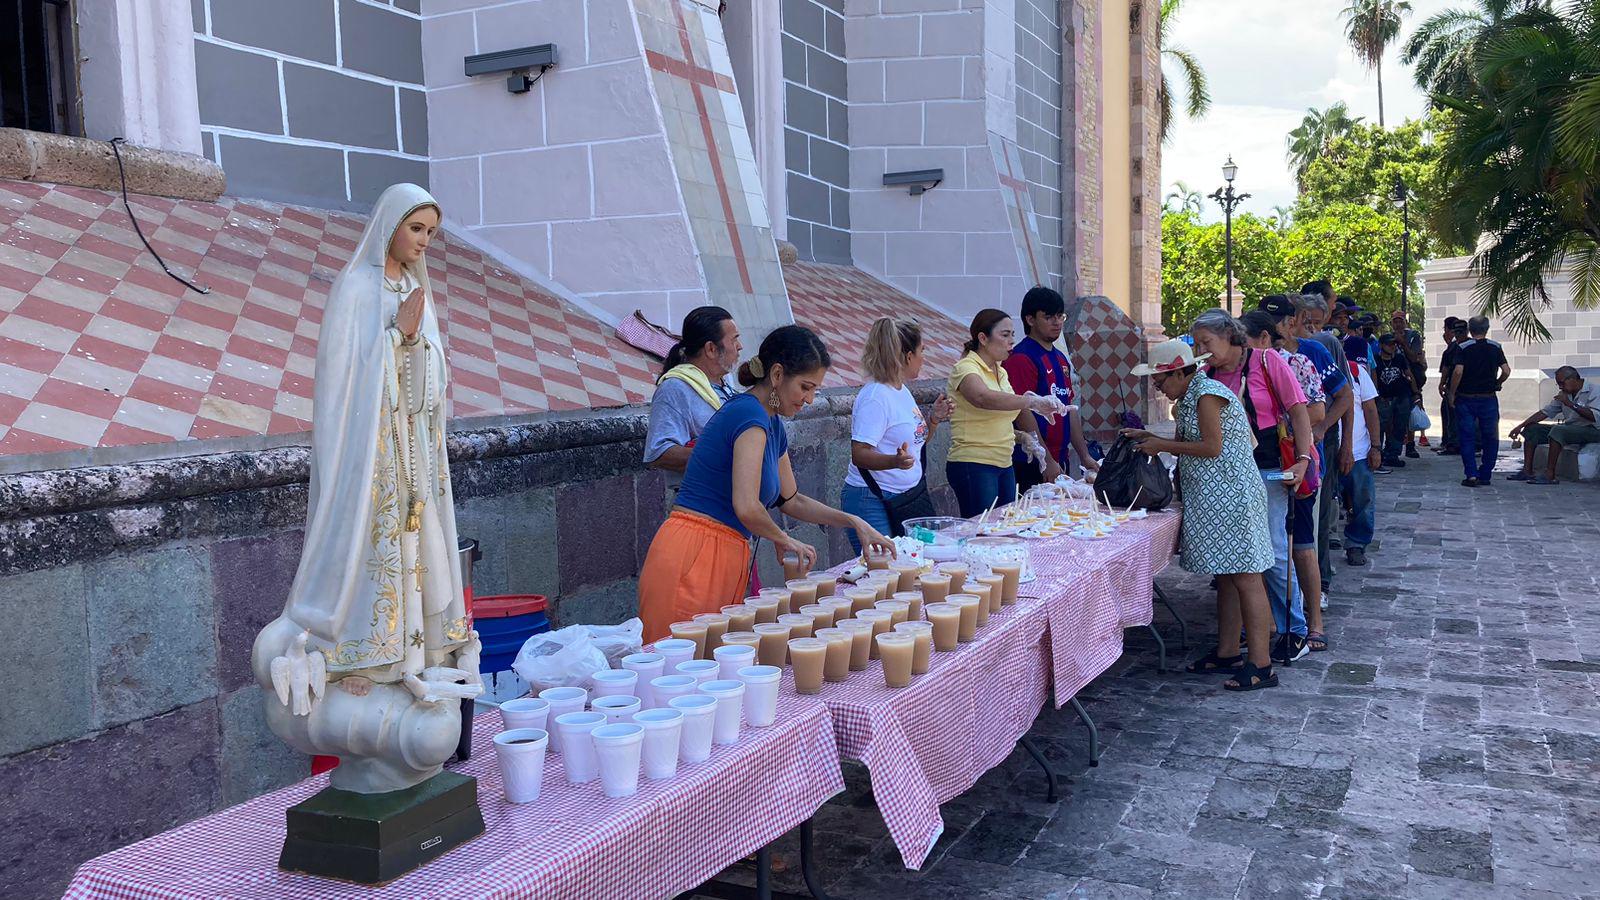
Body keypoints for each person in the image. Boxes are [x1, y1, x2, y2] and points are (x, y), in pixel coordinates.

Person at [251, 183, 484, 793]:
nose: (423, 243)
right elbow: (341, 390)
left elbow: (430, 386)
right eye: (416, 230)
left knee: (418, 558)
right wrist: (394, 341)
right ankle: (367, 660)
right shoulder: (356, 291)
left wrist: (412, 343)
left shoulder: (417, 292)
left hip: (413, 459)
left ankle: (414, 659)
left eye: (431, 233)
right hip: (369, 462)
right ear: (389, 227)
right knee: (371, 555)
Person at [636, 326, 895, 640]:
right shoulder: (750, 416)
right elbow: (746, 506)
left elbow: (791, 499)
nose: (811, 399)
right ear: (776, 374)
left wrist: (853, 521)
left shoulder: (771, 422)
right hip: (695, 552)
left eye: (815, 389)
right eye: (805, 387)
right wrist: (783, 538)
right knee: (682, 665)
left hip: (725, 553)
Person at [1122, 340, 1277, 691]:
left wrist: (1160, 445)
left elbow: (1211, 446)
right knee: (1227, 577)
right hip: (1215, 498)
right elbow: (1190, 441)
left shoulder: (1207, 394)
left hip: (1232, 496)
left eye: (1160, 379)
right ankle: (1227, 653)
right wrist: (1151, 436)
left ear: (1179, 372)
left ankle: (1261, 664)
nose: (1157, 386)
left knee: (1246, 577)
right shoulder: (1189, 399)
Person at [1192, 309, 1314, 664]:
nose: (1202, 349)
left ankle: (1294, 629)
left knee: (1274, 549)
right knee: (1239, 558)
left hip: (1271, 468)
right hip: (1229, 476)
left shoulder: (1267, 361)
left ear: (1230, 336)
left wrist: (1303, 460)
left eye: (1207, 342)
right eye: (1197, 343)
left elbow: (1299, 410)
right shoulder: (1207, 374)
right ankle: (1247, 637)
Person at [1241, 309, 1331, 652]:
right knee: (1271, 549)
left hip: (1287, 463)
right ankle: (1273, 624)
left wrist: (1301, 455)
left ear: (1266, 337)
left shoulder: (1290, 363)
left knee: (1296, 547)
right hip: (1260, 467)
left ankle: (1305, 627)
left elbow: (1313, 410)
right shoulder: (1236, 368)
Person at [842, 317, 954, 552]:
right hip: (871, 501)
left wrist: (933, 419)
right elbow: (859, 454)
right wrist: (894, 461)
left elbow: (913, 445)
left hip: (905, 498)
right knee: (884, 571)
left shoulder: (901, 391)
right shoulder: (875, 397)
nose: (924, 357)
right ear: (907, 356)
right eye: (922, 350)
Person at [946, 309, 1070, 517]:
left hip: (1004, 463)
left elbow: (1001, 417)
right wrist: (1033, 401)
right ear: (983, 338)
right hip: (975, 463)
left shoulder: (1001, 371)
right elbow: (982, 398)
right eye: (1005, 335)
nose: (1011, 341)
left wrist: (1023, 438)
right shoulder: (966, 367)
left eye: (1012, 334)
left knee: (1005, 528)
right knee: (983, 533)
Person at [1003, 286, 1099, 490]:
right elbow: (1022, 411)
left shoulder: (1060, 358)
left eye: (1060, 316)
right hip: (1029, 461)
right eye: (1048, 317)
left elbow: (1069, 409)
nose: (1057, 322)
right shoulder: (1021, 358)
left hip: (1059, 459)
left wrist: (1084, 456)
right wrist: (1045, 459)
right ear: (1030, 320)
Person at [644, 306, 741, 475]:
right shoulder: (675, 387)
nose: (739, 346)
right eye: (734, 340)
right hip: (700, 498)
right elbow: (659, 452)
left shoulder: (723, 386)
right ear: (711, 349)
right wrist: (730, 455)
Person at [1446, 315, 1510, 487]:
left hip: (1466, 398)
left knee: (1467, 437)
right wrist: (1498, 382)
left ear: (1470, 330)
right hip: (1488, 398)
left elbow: (1458, 371)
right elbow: (1506, 370)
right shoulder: (1496, 347)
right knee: (1491, 437)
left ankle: (1471, 475)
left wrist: (1452, 392)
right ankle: (1486, 474)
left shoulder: (1463, 348)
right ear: (1487, 328)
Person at [1507, 366, 1599, 484]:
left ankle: (1550, 474)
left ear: (1573, 379)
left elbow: (1594, 417)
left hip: (1592, 430)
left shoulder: (1594, 390)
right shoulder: (1564, 394)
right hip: (1571, 429)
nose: (1560, 387)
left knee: (1558, 430)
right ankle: (1527, 471)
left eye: (1561, 383)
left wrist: (1570, 404)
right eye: (1558, 384)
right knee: (1532, 429)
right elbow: (1545, 412)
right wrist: (1520, 426)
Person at [1340, 358, 1383, 565]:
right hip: (1325, 453)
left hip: (1358, 452)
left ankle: (1357, 543)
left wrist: (1375, 447)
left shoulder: (1356, 372)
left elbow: (1370, 409)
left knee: (1363, 500)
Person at [1373, 333, 1420, 469]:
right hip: (1384, 397)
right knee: (1381, 425)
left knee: (1400, 426)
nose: (1392, 347)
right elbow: (1374, 377)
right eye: (1389, 344)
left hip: (1401, 396)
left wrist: (1416, 393)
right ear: (1381, 345)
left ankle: (1393, 454)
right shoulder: (1376, 360)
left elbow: (1408, 374)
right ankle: (1379, 454)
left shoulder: (1399, 358)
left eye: (1394, 344)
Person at [1435, 317, 1467, 455]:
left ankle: (1451, 443)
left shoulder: (1453, 348)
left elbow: (1448, 368)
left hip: (1455, 387)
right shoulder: (1471, 344)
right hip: (1469, 387)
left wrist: (1443, 384)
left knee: (1451, 415)